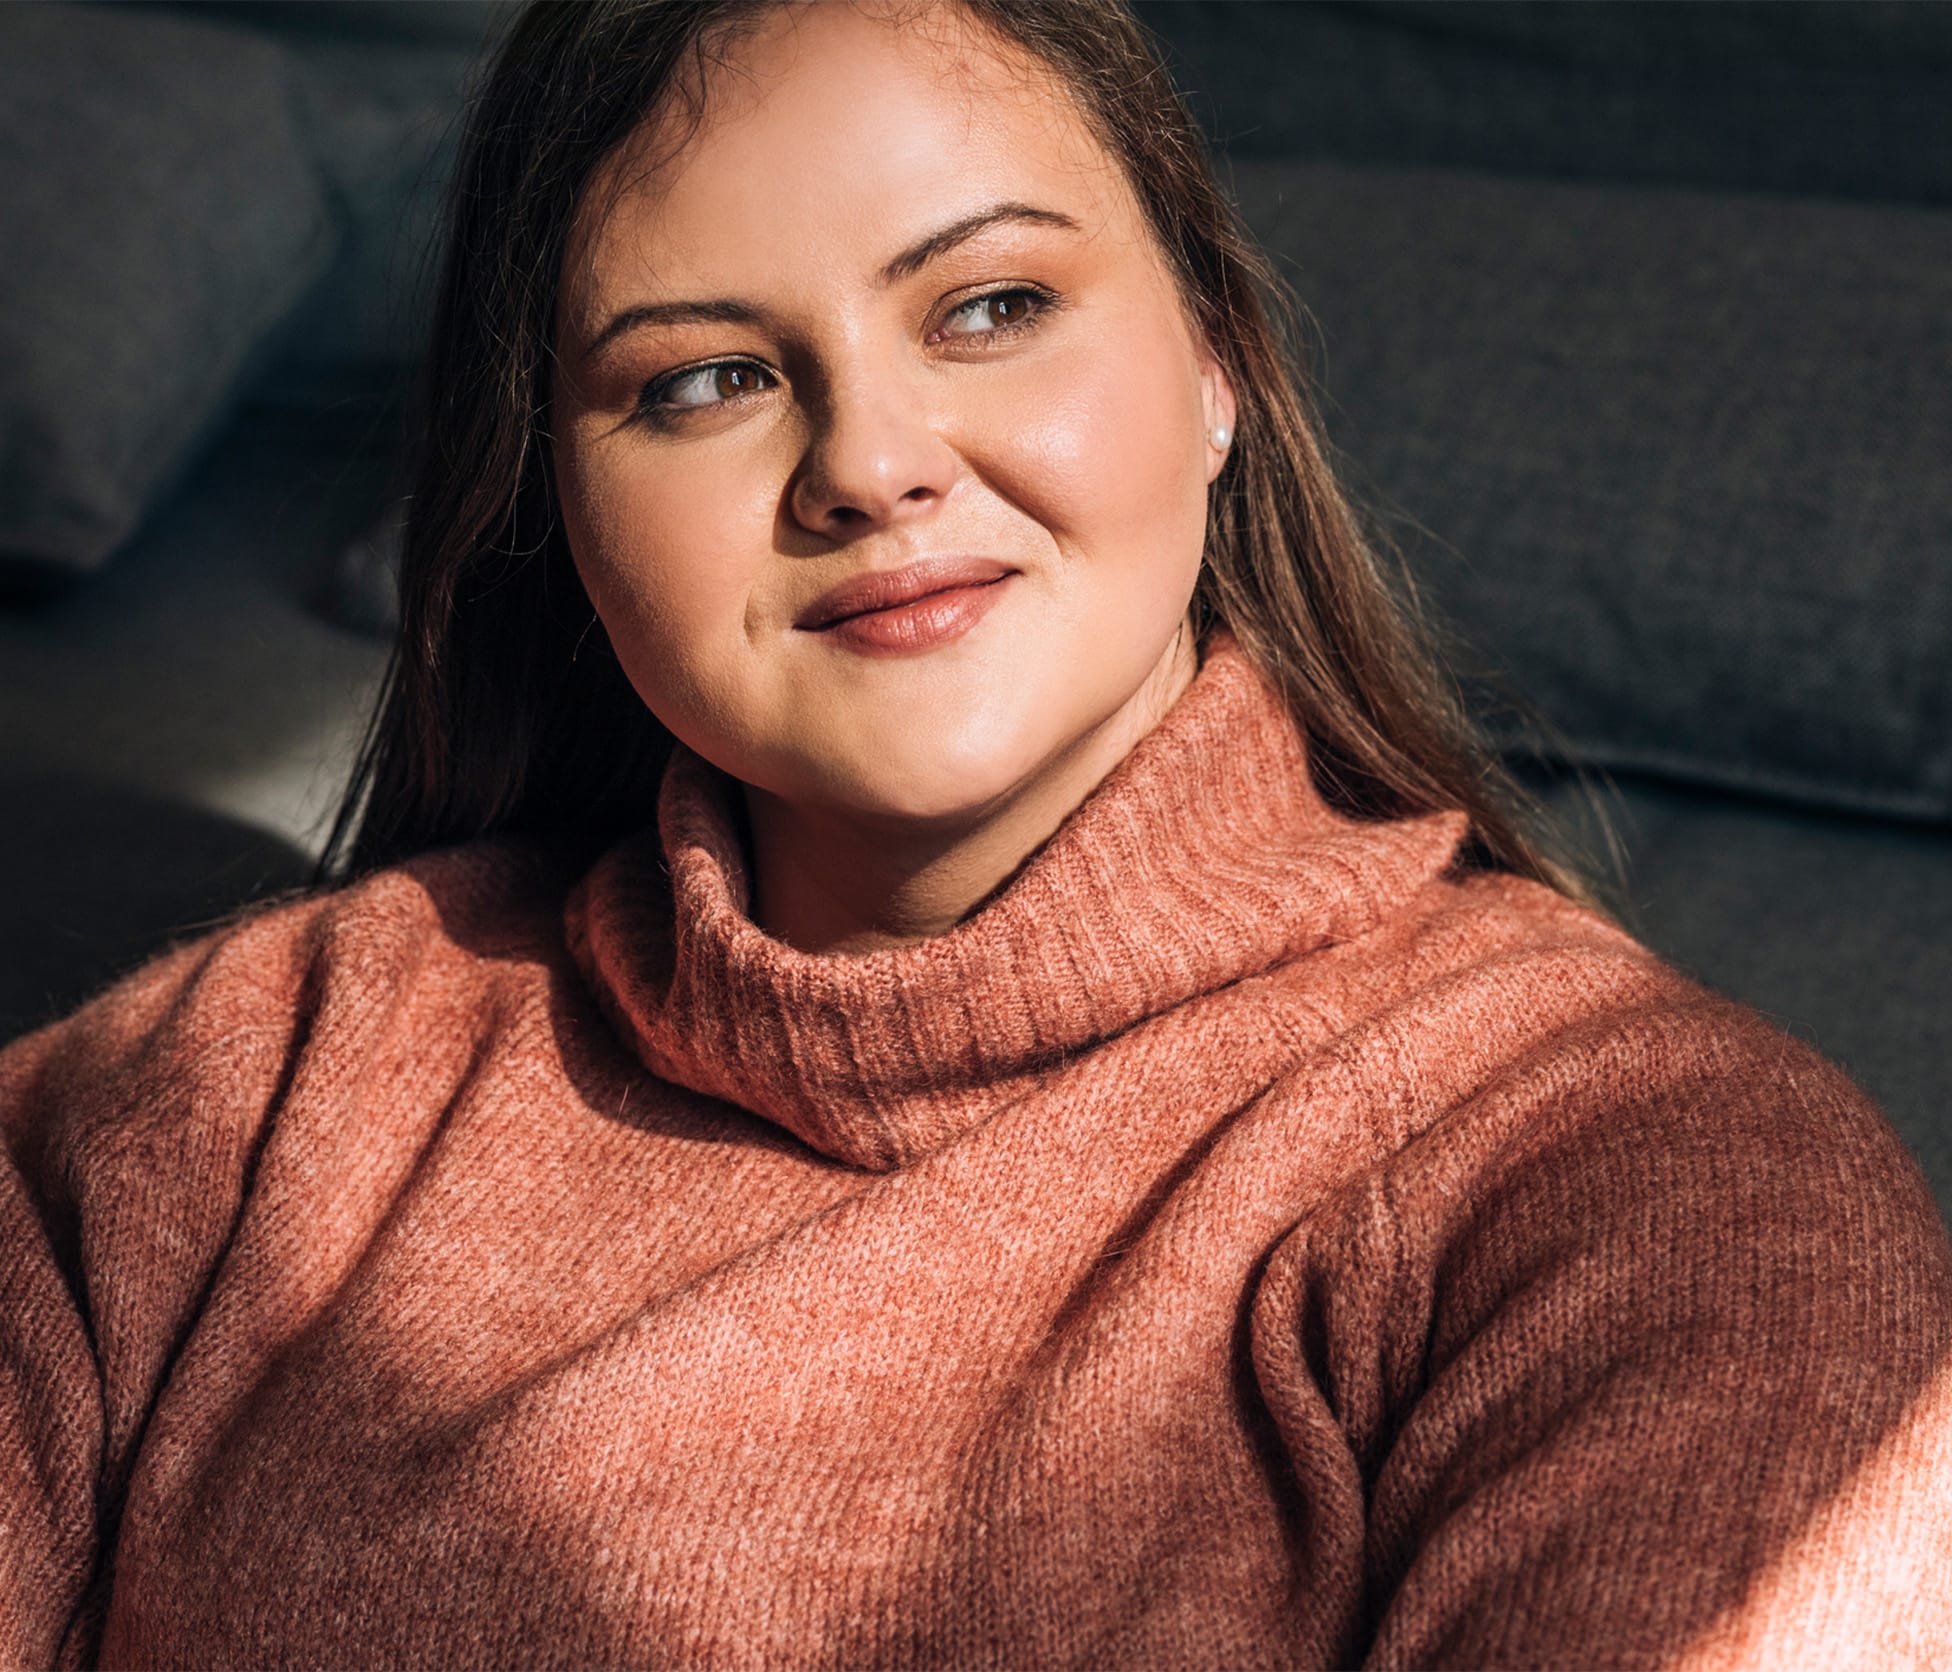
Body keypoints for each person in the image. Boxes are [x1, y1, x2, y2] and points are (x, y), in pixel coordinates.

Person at [3, 0, 1948, 1664]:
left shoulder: (1633, 1189)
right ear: (557, 514)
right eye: (703, 379)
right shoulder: (264, 1069)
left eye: (992, 304)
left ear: (1218, 369)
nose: (868, 459)